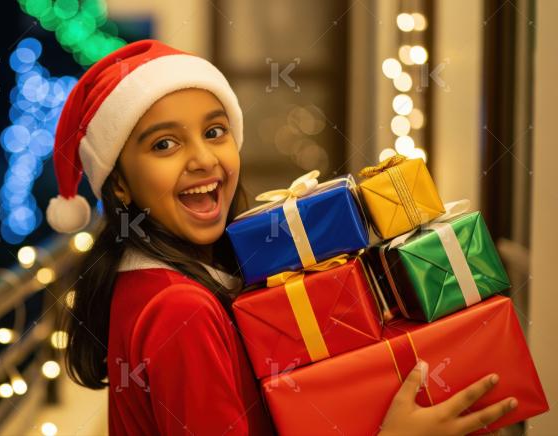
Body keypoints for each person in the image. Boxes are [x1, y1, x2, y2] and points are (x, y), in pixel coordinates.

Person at [46, 39, 518, 435]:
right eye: (164, 144)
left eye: (214, 131)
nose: (203, 159)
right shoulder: (180, 310)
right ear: (120, 183)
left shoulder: (163, 280)